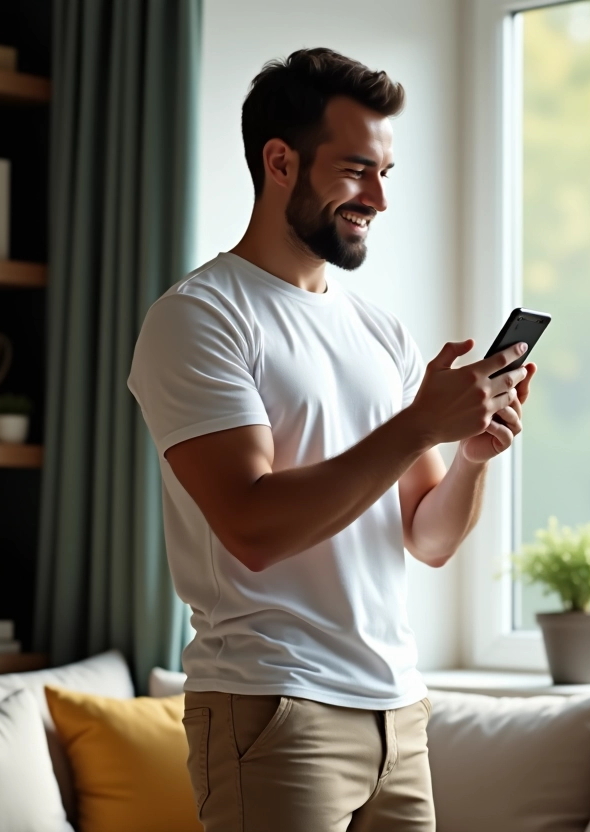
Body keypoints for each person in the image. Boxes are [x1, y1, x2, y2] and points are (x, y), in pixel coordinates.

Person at [127, 47, 536, 832]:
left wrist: (470, 458)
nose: (379, 197)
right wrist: (419, 423)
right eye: (356, 170)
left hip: (397, 711)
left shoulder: (379, 331)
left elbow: (429, 536)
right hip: (271, 707)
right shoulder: (199, 317)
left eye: (386, 171)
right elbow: (251, 527)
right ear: (280, 161)